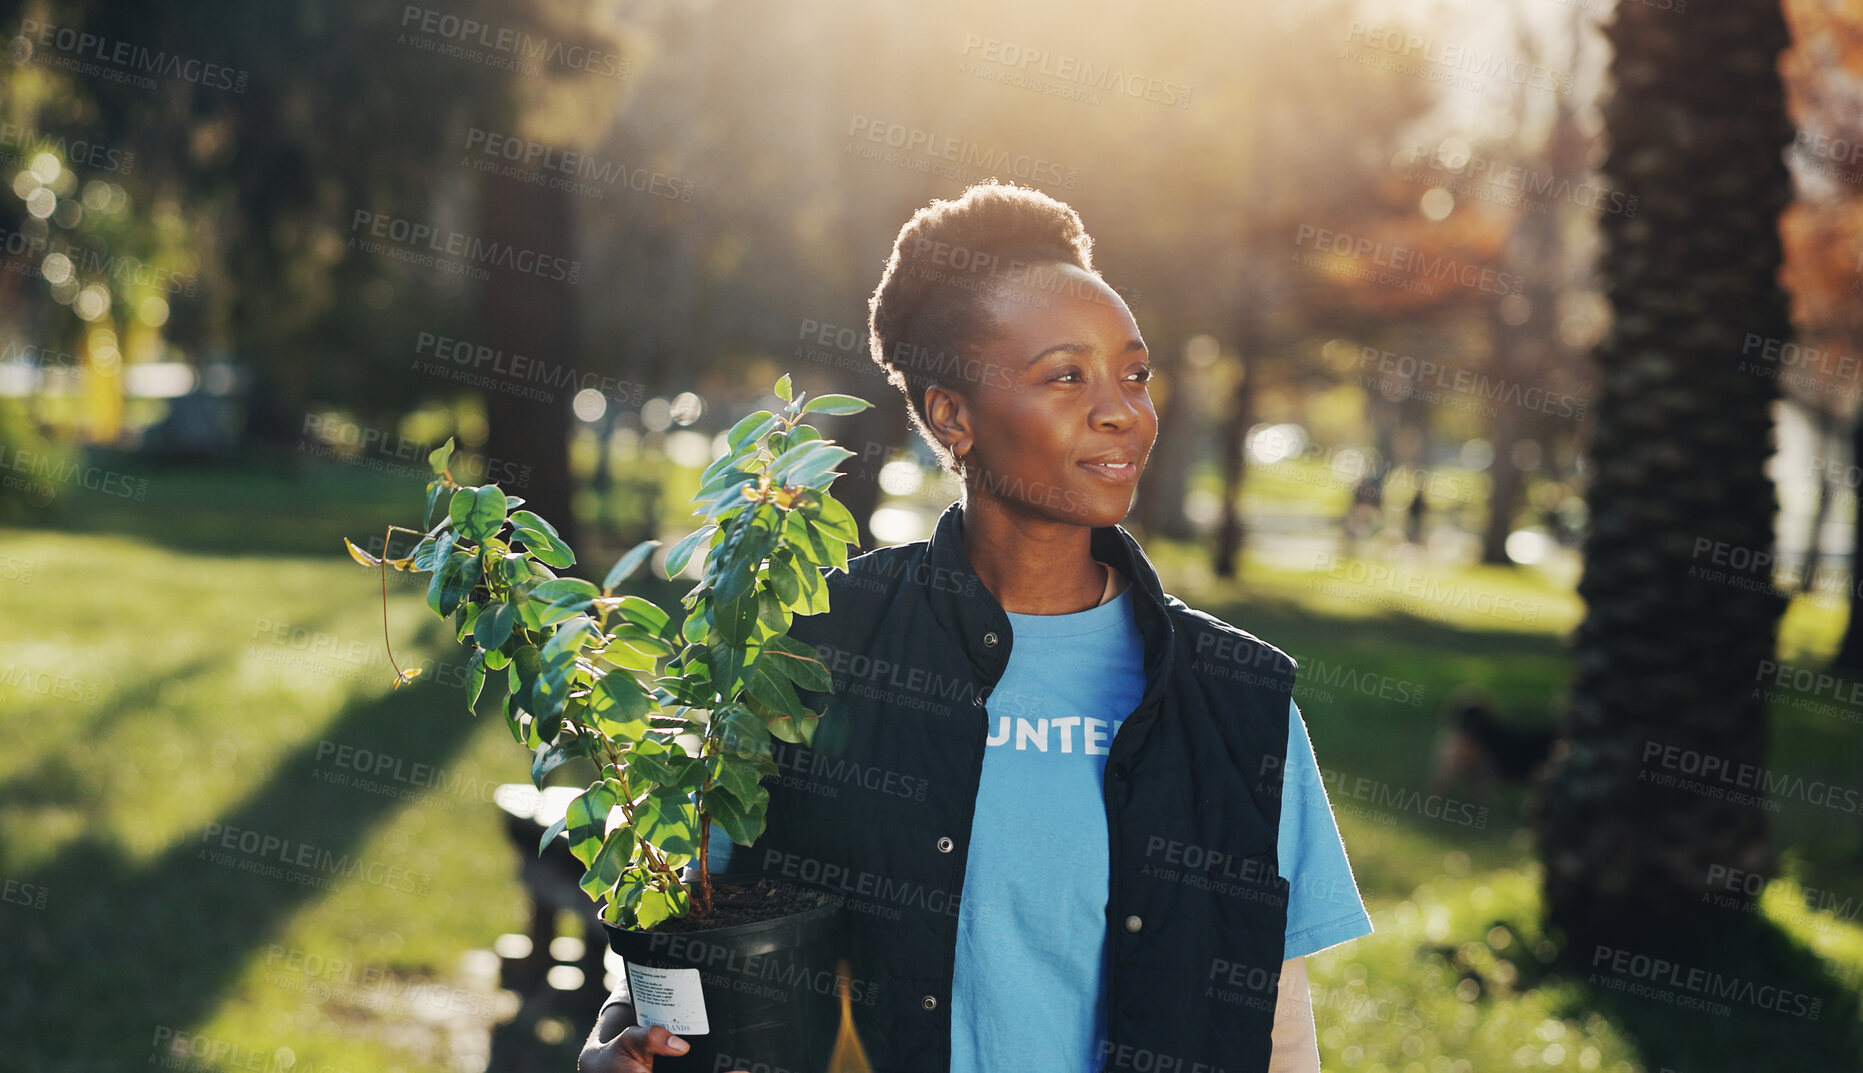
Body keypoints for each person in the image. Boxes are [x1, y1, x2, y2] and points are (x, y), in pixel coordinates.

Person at [580, 181, 1372, 1073]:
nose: (1123, 410)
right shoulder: (815, 653)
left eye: (1135, 373)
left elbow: (1276, 1031)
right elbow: (693, 925)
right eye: (1066, 375)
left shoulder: (1236, 701)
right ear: (952, 416)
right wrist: (621, 1036)